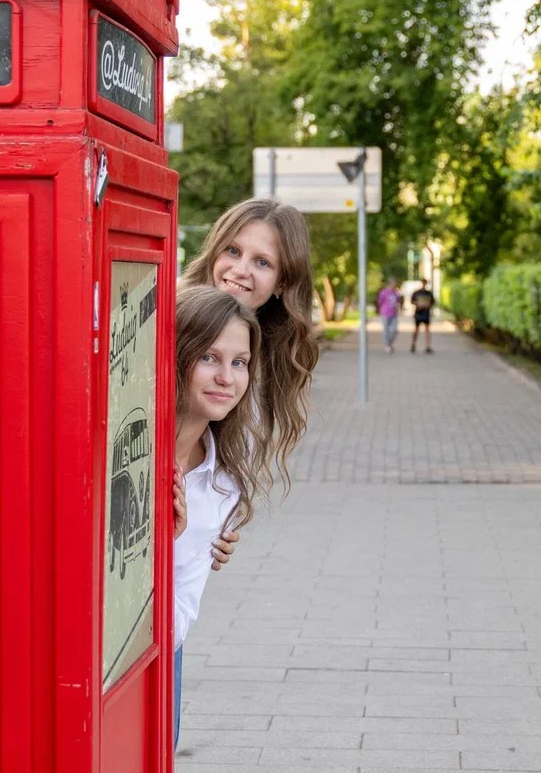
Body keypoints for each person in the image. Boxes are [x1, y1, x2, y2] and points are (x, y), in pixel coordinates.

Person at [172, 285, 267, 748]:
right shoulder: (117, 454)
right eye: (209, 357)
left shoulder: (221, 483)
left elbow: (180, 617)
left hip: (152, 662)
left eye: (239, 362)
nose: (226, 378)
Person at [181, 197, 319, 481]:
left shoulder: (269, 358)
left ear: (282, 282)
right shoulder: (167, 318)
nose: (241, 270)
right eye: (233, 250)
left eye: (262, 262)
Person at [376, 276, 402, 353]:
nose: (395, 285)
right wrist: (380, 310)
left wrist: (398, 309)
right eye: (394, 283)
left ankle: (389, 343)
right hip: (385, 313)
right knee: (386, 330)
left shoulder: (395, 292)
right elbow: (379, 302)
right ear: (390, 283)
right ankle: (387, 346)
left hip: (394, 313)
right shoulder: (383, 292)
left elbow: (398, 301)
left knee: (395, 330)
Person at [410, 278, 435, 353]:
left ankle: (427, 346)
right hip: (418, 313)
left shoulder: (429, 293)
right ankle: (413, 344)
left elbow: (433, 302)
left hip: (426, 313)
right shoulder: (416, 293)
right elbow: (412, 301)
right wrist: (418, 304)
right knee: (416, 329)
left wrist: (428, 305)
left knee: (427, 330)